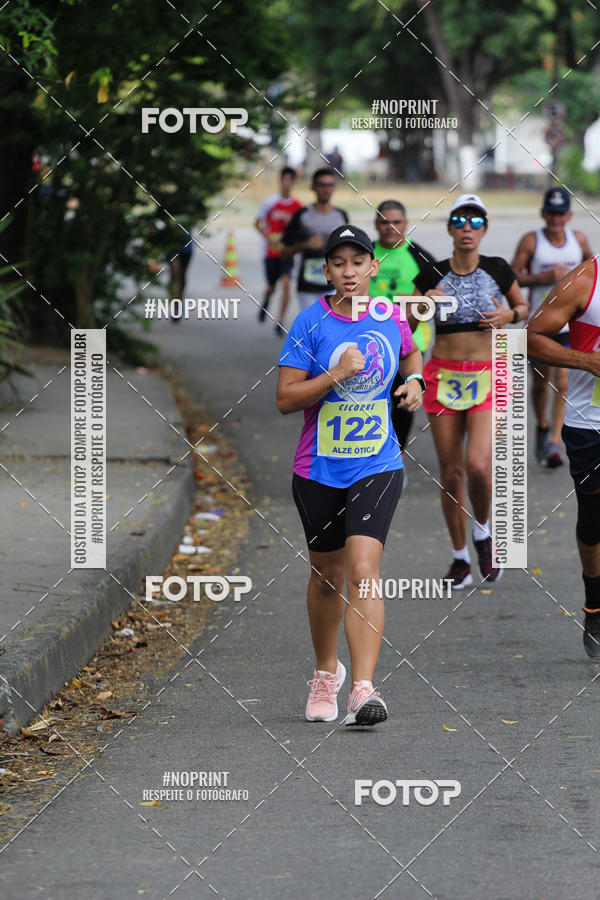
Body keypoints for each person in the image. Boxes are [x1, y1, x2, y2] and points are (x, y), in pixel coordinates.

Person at [276, 225, 424, 725]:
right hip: (318, 468)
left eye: (357, 262)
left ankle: (364, 689)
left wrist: (417, 381)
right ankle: (326, 671)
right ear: (326, 272)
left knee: (363, 571)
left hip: (377, 462)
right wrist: (335, 374)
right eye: (338, 263)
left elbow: (409, 352)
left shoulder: (389, 315)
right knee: (327, 577)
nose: (348, 271)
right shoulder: (309, 323)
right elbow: (285, 398)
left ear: (372, 267)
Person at [414, 194, 528, 589]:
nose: (467, 227)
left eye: (476, 221)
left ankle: (483, 531)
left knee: (479, 465)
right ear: (449, 229)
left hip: (487, 373)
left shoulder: (497, 268)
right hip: (443, 375)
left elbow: (523, 307)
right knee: (451, 473)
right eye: (460, 220)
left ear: (483, 231)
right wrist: (423, 304)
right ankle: (460, 558)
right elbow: (406, 318)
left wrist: (509, 316)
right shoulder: (432, 272)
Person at [527, 257, 600, 658]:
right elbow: (531, 338)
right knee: (593, 519)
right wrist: (585, 360)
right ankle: (594, 599)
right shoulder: (586, 279)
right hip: (590, 423)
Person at [512, 187, 593, 466]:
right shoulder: (531, 241)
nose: (556, 219)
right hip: (540, 323)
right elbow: (513, 278)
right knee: (541, 382)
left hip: (571, 325)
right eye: (551, 213)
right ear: (543, 213)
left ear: (568, 215)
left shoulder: (578, 240)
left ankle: (555, 443)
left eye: (561, 214)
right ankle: (542, 426)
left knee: (563, 382)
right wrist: (544, 277)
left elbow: (591, 273)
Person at [370, 199, 436, 451]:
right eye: (384, 221)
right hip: (369, 341)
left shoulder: (421, 258)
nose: (390, 227)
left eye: (396, 222)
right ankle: (370, 456)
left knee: (402, 403)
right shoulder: (364, 254)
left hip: (409, 344)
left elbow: (437, 298)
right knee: (372, 401)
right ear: (376, 224)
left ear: (406, 224)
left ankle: (397, 456)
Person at [280, 168, 349, 312]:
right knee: (311, 332)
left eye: (330, 185)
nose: (326, 189)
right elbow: (284, 252)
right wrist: (304, 245)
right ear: (313, 187)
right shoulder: (301, 216)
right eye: (322, 185)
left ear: (334, 188)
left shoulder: (341, 216)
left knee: (332, 332)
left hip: (335, 287)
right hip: (307, 287)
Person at [255, 167, 303, 335]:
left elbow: (301, 230)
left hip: (287, 253)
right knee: (271, 287)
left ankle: (280, 321)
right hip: (270, 253)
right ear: (280, 180)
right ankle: (266, 300)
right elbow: (257, 223)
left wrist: (292, 227)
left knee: (287, 283)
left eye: (291, 180)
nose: (288, 183)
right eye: (285, 179)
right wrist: (268, 237)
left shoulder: (297, 206)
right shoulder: (270, 202)